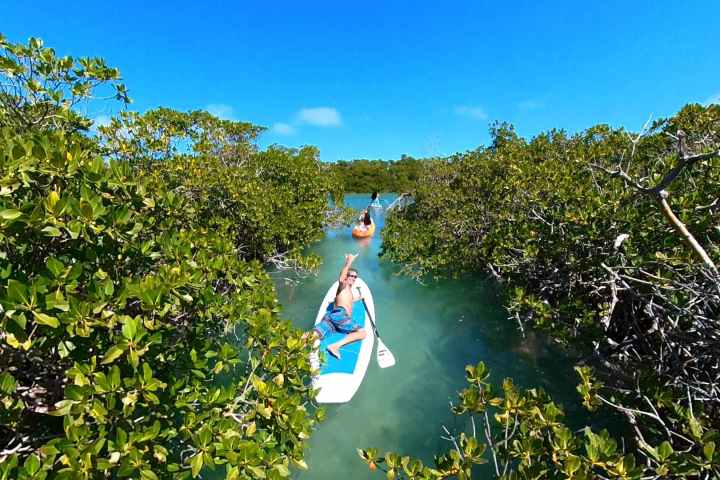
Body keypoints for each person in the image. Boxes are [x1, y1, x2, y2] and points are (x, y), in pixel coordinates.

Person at [312, 253, 366, 359]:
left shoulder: (348, 291)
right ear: (346, 276)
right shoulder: (344, 285)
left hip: (332, 317)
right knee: (362, 333)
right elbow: (341, 279)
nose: (353, 278)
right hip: (340, 316)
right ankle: (335, 346)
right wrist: (349, 261)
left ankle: (291, 342)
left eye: (355, 277)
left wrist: (359, 298)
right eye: (351, 275)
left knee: (315, 334)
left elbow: (346, 301)